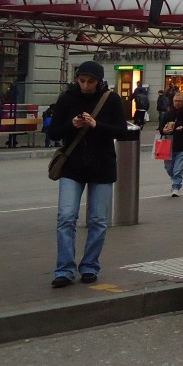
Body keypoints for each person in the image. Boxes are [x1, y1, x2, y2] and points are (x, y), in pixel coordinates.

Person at [46, 60, 132, 288]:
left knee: (98, 221)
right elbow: (52, 133)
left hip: (102, 167)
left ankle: (90, 266)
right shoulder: (67, 98)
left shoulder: (110, 99)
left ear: (99, 81)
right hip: (72, 168)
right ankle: (64, 270)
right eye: (81, 80)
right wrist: (71, 125)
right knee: (66, 217)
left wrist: (97, 125)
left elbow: (123, 133)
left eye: (90, 81)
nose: (85, 85)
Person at [159, 91, 183, 196]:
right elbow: (161, 127)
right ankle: (175, 180)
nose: (177, 103)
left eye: (179, 101)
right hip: (168, 145)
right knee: (168, 167)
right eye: (175, 101)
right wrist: (163, 130)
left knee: (178, 168)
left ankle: (176, 186)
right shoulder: (169, 113)